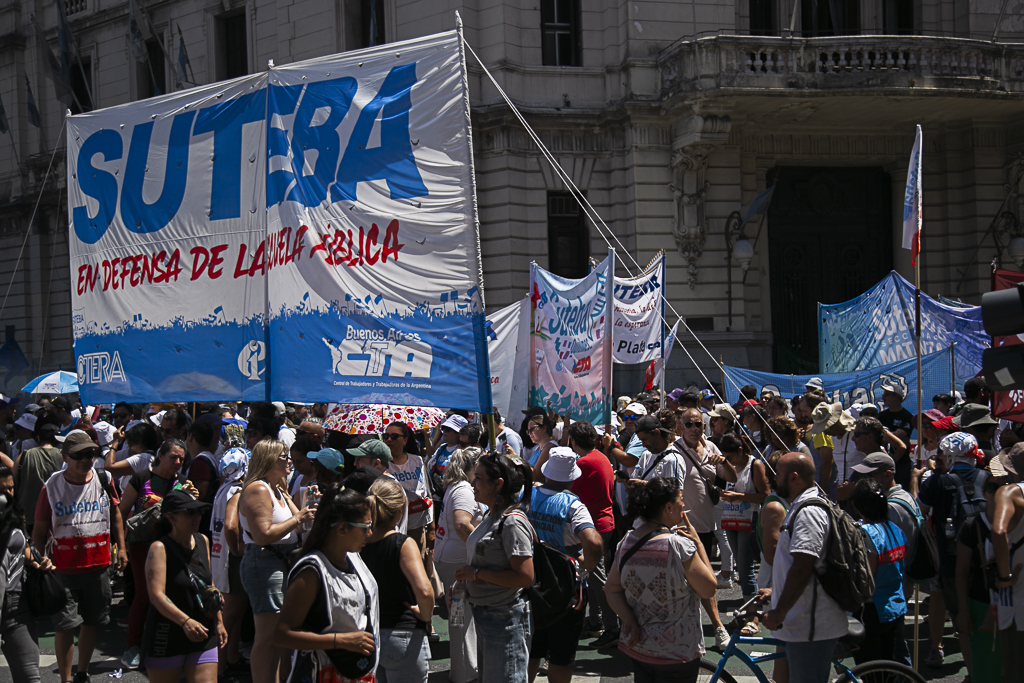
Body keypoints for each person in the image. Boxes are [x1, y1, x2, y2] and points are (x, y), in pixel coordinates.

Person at [33, 431, 126, 683]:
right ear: (65, 457)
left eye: (90, 454)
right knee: (64, 625)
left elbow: (116, 513)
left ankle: (82, 673)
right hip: (62, 569)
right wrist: (39, 560)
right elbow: (39, 529)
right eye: (78, 456)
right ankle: (66, 679)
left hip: (98, 566)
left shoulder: (104, 479)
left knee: (92, 621)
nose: (86, 460)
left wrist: (122, 547)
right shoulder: (52, 487)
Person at [604, 477, 717, 683]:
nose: (684, 505)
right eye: (681, 499)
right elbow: (708, 588)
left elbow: (611, 588)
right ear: (668, 507)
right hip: (677, 652)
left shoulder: (626, 542)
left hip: (640, 648)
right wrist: (699, 544)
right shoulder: (679, 546)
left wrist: (629, 619)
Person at [274, 486, 379, 683]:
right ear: (342, 529)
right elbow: (282, 634)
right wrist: (341, 641)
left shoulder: (353, 559)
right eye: (365, 527)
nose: (370, 533)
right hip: (320, 673)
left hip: (355, 672)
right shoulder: (311, 571)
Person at [761, 452, 847, 683]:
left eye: (778, 474)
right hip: (801, 623)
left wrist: (779, 611)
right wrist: (776, 591)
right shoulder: (799, 507)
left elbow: (802, 567)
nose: (774, 478)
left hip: (810, 627)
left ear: (793, 478)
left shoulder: (808, 513)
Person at [238, 440, 317, 683]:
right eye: (284, 456)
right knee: (267, 637)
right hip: (265, 562)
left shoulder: (278, 489)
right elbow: (263, 535)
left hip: (280, 562)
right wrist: (299, 517)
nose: (289, 461)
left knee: (278, 635)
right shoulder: (258, 489)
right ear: (269, 459)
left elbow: (300, 525)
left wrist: (308, 506)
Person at [453, 453, 535, 683]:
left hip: (505, 619)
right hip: (486, 615)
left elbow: (525, 577)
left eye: (479, 478)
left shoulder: (512, 522)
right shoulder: (492, 515)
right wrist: (465, 583)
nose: (473, 483)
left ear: (497, 484)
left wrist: (477, 575)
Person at [525, 448, 602, 683]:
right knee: (561, 656)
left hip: (531, 581)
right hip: (567, 588)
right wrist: (587, 564)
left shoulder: (527, 496)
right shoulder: (574, 506)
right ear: (572, 477)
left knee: (531, 649)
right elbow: (593, 542)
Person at [141, 489, 227, 681]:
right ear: (171, 517)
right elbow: (156, 595)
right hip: (168, 633)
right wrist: (185, 622)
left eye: (199, 512)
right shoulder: (159, 548)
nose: (197, 517)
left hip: (203, 631)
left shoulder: (203, 540)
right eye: (190, 512)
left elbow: (209, 586)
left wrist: (219, 621)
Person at [119, 438, 188, 669]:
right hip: (141, 545)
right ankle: (132, 646)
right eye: (173, 457)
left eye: (181, 459)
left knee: (169, 594)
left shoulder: (182, 482)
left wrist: (190, 498)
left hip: (170, 546)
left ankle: (162, 643)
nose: (177, 462)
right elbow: (122, 511)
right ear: (160, 455)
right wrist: (119, 545)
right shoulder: (142, 479)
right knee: (144, 595)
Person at [917, 433, 981, 668]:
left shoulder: (937, 481)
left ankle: (971, 671)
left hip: (947, 559)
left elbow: (918, 512)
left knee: (959, 618)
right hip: (984, 558)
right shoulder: (987, 478)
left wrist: (916, 480)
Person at [361, 477, 434, 683]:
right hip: (403, 635)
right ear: (400, 510)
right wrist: (425, 615)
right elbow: (424, 591)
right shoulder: (403, 544)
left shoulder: (360, 543)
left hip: (371, 635)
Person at [434, 448, 484, 683]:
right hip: (458, 564)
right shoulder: (464, 489)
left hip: (452, 561)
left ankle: (464, 671)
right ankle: (465, 674)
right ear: (474, 465)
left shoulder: (457, 485)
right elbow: (462, 524)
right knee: (461, 620)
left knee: (459, 619)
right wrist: (483, 550)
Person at [567, 422, 618, 649]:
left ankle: (612, 627)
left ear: (574, 441)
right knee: (593, 575)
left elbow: (568, 490)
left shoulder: (583, 463)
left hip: (593, 526)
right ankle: (597, 620)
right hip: (603, 522)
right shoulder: (601, 457)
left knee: (597, 578)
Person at [849, 478, 907, 664]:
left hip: (873, 609)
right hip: (896, 604)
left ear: (856, 505)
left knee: (870, 668)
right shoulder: (895, 529)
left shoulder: (866, 533)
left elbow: (867, 578)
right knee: (889, 664)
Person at [0, 465, 48, 683]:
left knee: (30, 677)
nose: (7, 495)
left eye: (10, 488)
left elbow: (24, 550)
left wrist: (39, 562)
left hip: (17, 606)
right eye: (1, 490)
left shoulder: (15, 515)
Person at [955, 473, 1003, 682]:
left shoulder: (1017, 524)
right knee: (984, 667)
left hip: (1013, 604)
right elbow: (962, 570)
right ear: (983, 493)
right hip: (980, 603)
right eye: (992, 488)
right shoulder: (972, 526)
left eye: (1003, 488)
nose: (998, 493)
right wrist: (963, 610)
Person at [210, 448, 249, 677]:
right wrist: (237, 548)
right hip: (230, 558)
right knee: (229, 615)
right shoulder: (237, 490)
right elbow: (230, 525)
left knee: (238, 610)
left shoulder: (224, 487)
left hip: (221, 555)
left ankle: (231, 658)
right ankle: (217, 668)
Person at [718, 434, 768, 600]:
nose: (729, 461)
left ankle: (752, 604)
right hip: (730, 519)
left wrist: (739, 496)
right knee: (740, 565)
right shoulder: (729, 467)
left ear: (740, 450)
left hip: (748, 520)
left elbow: (764, 495)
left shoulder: (755, 465)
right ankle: (750, 600)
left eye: (730, 457)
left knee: (746, 566)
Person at [989, 443, 1024, 678]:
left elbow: (999, 531)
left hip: (1017, 597)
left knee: (1013, 669)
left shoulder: (1010, 492)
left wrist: (1004, 577)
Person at [383, 422, 433, 549]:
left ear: (405, 440)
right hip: (393, 527)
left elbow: (427, 494)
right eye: (386, 436)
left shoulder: (417, 461)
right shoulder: (381, 465)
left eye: (394, 436)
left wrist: (432, 528)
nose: (389, 440)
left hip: (417, 525)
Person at [13, 421, 64, 534]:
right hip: (56, 516)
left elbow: (13, 479)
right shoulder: (64, 456)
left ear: (38, 438)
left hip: (28, 516)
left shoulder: (25, 455)